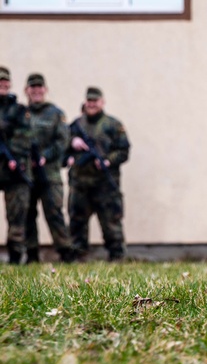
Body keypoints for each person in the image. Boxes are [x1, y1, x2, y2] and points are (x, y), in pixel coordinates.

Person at [66, 87, 130, 261]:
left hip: (105, 185)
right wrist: (72, 143)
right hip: (80, 184)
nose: (92, 104)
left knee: (111, 223)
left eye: (95, 101)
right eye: (89, 101)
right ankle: (77, 257)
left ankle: (117, 257)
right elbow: (62, 149)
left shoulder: (113, 125)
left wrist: (108, 160)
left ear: (102, 102)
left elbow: (124, 150)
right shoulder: (76, 125)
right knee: (77, 223)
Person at [23, 73, 73, 264]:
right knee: (28, 213)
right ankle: (31, 254)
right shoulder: (21, 113)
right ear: (27, 90)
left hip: (49, 174)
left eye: (39, 87)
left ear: (45, 89)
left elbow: (62, 141)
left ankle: (65, 252)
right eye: (32, 87)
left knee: (54, 212)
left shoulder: (55, 114)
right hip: (27, 173)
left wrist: (45, 156)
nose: (36, 90)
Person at [0, 67, 32, 265]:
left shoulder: (19, 110)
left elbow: (25, 138)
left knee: (17, 216)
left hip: (14, 170)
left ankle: (15, 257)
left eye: (5, 82)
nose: (2, 85)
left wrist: (15, 157)